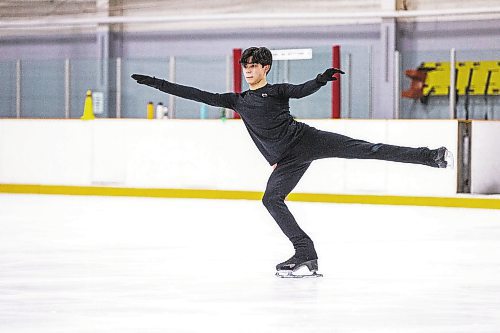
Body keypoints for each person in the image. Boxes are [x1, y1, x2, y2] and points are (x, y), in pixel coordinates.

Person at [131, 46, 453, 278]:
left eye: (255, 66)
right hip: (286, 161)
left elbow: (301, 90)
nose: (249, 70)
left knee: (366, 149)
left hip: (306, 140)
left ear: (266, 68)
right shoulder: (237, 101)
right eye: (246, 66)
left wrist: (320, 80)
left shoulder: (277, 91)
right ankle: (305, 251)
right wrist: (157, 83)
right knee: (271, 199)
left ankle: (430, 156)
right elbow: (195, 93)